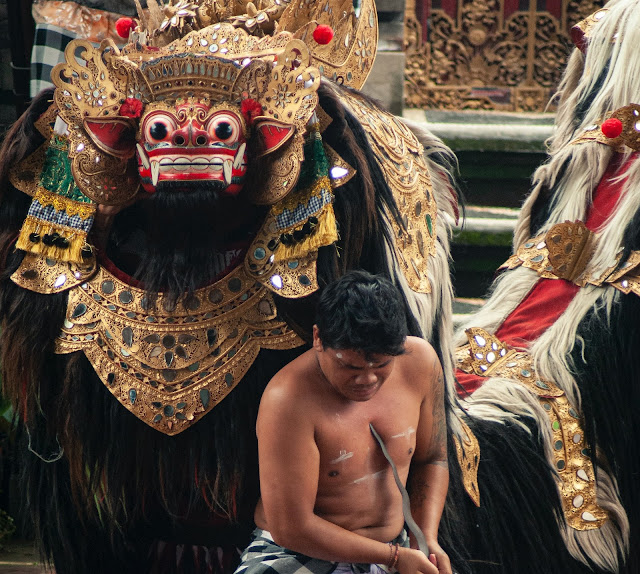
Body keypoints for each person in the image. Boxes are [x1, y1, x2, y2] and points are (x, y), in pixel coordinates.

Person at [236, 270, 452, 574]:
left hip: (397, 548)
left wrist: (425, 539)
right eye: (349, 366)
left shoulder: (421, 363)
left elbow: (433, 459)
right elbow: (291, 528)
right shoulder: (286, 399)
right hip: (294, 552)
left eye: (382, 364)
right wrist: (393, 558)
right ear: (318, 339)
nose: (367, 379)